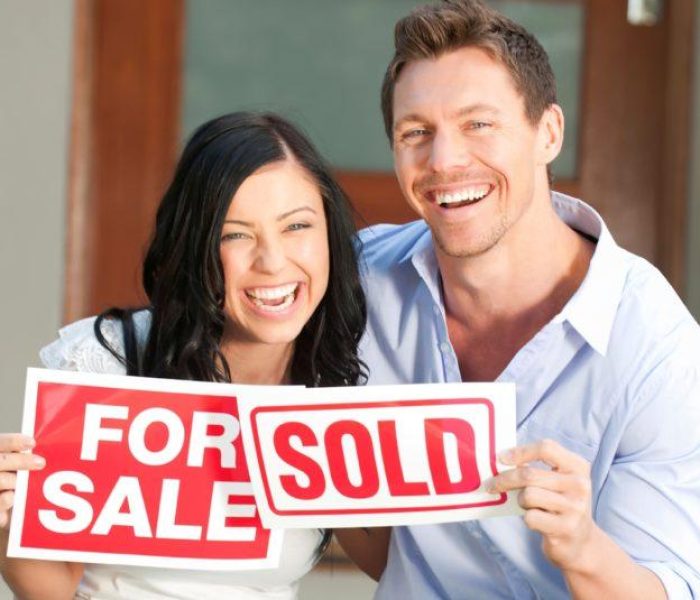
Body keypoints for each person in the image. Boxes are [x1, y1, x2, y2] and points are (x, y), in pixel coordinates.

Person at [357, 0, 700, 598]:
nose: (444, 162)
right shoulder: (361, 282)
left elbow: (668, 588)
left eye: (478, 124)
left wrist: (585, 550)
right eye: (416, 133)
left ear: (548, 132)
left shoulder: (656, 346)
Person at [0, 111, 369, 599]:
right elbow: (54, 588)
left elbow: (382, 558)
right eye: (235, 234)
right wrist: (7, 522)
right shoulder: (108, 363)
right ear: (195, 245)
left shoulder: (342, 377)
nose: (273, 262)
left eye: (297, 226)